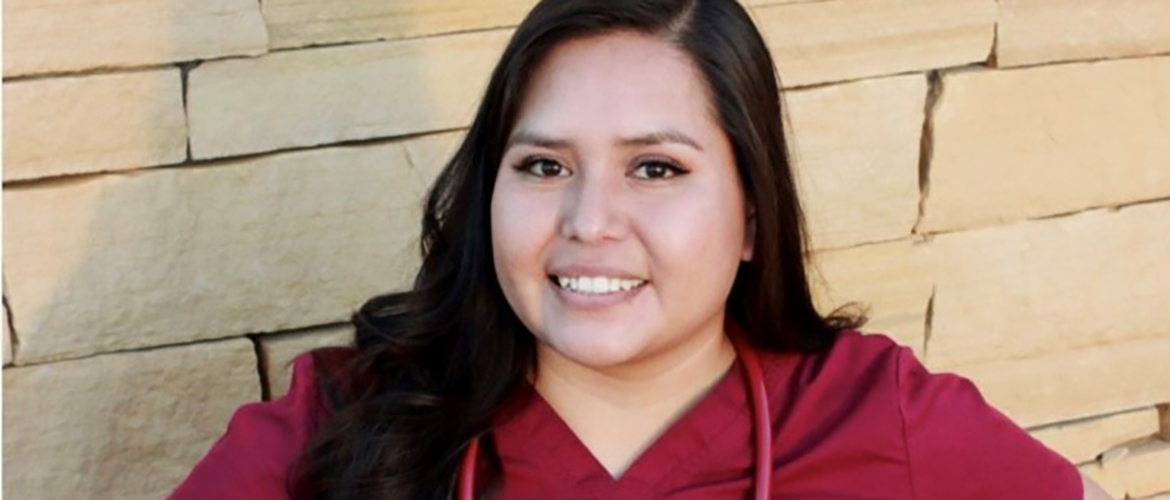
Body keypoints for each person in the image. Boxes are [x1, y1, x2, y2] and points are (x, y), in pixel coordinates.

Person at [169, 0, 1116, 498]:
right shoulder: (337, 423)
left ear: (752, 215)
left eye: (656, 169)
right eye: (543, 166)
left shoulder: (883, 419)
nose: (589, 219)